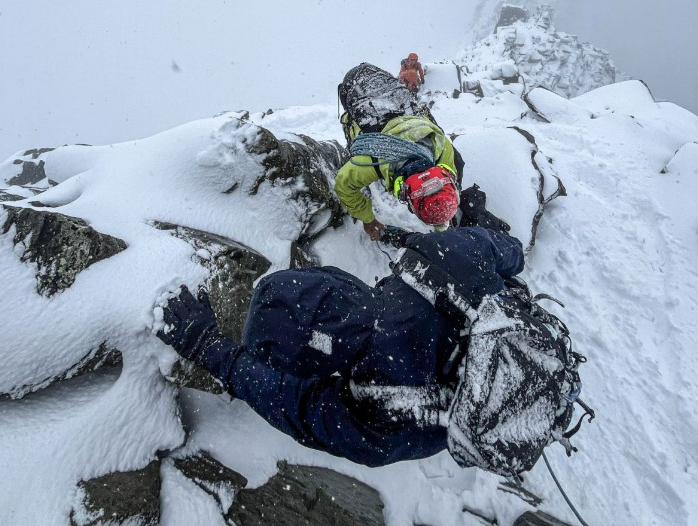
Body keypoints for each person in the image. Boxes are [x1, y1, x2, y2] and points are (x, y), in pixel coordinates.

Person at [156, 225, 527, 468]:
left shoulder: (378, 418)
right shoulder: (445, 256)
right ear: (341, 280)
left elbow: (287, 400)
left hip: (448, 425)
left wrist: (207, 346)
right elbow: (513, 253)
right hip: (526, 343)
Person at [335, 63, 461, 241]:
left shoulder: (439, 144)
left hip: (381, 82)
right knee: (353, 122)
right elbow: (343, 185)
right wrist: (368, 219)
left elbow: (438, 192)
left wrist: (442, 220)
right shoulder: (372, 160)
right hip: (353, 86)